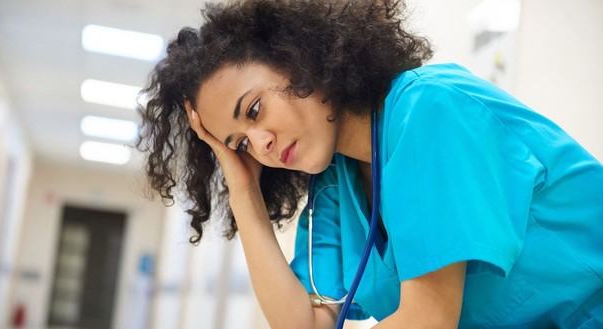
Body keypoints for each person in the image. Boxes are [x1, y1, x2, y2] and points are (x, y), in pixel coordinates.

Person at [136, 0, 603, 327]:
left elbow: (428, 319)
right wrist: (243, 193)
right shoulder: (335, 183)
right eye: (240, 143)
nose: (260, 145)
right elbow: (305, 324)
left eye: (254, 111)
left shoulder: (430, 109)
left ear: (298, 60)